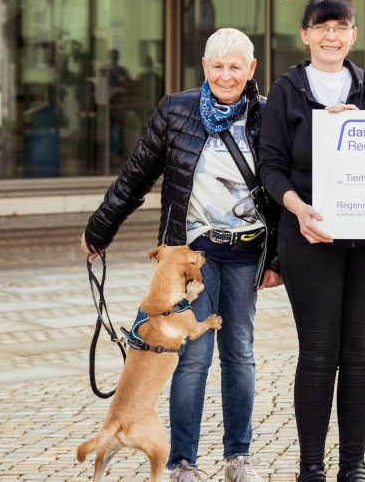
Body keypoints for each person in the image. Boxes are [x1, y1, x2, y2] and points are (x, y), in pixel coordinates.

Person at [81, 28, 283, 482]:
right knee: (191, 355)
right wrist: (100, 229)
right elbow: (135, 178)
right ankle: (182, 462)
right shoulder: (175, 111)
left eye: (236, 66)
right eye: (217, 65)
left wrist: (278, 261)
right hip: (192, 258)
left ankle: (238, 457)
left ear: (251, 70)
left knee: (240, 352)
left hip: (247, 254)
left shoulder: (269, 116)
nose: (226, 75)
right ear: (205, 68)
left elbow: (283, 193)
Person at [257, 0, 365, 482]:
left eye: (340, 26)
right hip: (310, 237)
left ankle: (353, 466)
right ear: (305, 35)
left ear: (353, 35)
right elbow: (271, 166)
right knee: (318, 354)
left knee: (361, 353)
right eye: (321, 26)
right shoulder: (285, 90)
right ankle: (312, 468)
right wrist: (297, 210)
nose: (331, 35)